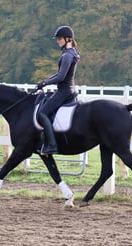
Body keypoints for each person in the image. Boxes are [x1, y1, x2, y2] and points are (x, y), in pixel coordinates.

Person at [35, 25, 80, 155]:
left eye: (59, 38)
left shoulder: (67, 55)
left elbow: (61, 77)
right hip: (69, 89)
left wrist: (45, 82)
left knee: (42, 113)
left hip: (64, 91)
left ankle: (52, 145)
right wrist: (44, 82)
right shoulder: (72, 52)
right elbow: (59, 73)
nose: (57, 41)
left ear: (68, 39)